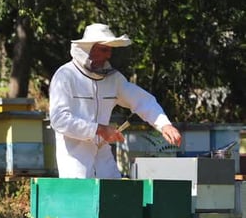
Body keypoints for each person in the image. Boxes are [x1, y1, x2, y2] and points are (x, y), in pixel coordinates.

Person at [49, 23, 181, 178]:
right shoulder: (65, 76)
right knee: (82, 198)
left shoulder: (114, 79)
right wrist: (99, 129)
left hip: (104, 158)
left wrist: (164, 124)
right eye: (104, 49)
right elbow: (59, 120)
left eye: (110, 50)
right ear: (88, 49)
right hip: (75, 160)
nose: (108, 55)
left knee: (114, 196)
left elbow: (141, 100)